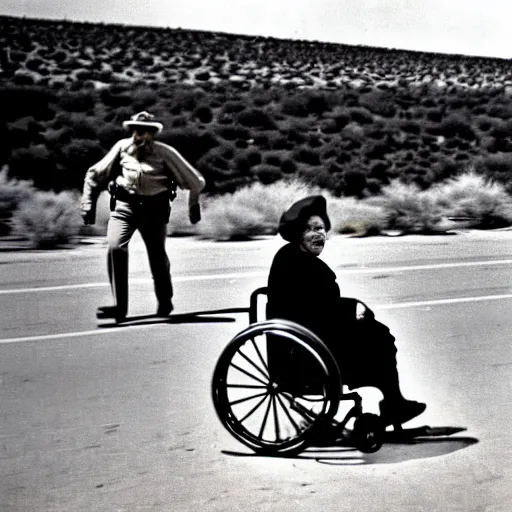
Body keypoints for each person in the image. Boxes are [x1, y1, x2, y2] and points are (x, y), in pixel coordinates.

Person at [267, 195, 426, 426]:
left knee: (379, 333)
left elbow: (321, 305)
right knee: (380, 338)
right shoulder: (296, 262)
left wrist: (354, 307)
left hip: (309, 340)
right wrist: (355, 308)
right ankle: (393, 403)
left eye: (321, 229)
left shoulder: (296, 258)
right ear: (297, 232)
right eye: (311, 229)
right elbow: (315, 309)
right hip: (305, 352)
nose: (319, 234)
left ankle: (393, 402)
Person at [81, 111, 206, 323]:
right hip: (124, 207)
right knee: (115, 248)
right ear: (132, 131)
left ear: (153, 134)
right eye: (137, 131)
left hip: (154, 209)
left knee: (157, 256)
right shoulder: (121, 148)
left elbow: (195, 180)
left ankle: (165, 299)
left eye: (146, 131)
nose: (141, 135)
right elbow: (94, 174)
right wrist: (88, 204)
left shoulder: (165, 152)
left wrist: (193, 204)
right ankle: (119, 307)